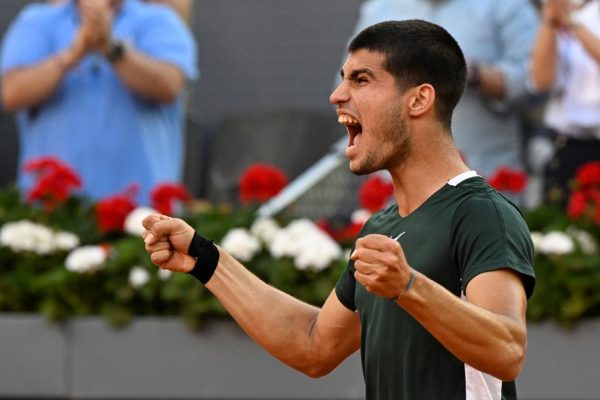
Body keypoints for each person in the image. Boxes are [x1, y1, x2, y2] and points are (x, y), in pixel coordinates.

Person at [143, 20, 535, 400]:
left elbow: (507, 349)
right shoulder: (381, 228)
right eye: (343, 78)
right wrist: (204, 257)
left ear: (419, 99)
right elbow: (313, 344)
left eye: (361, 80)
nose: (337, 94)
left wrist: (409, 287)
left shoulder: (481, 212)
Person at [0, 0, 198, 204]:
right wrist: (71, 55)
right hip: (51, 215)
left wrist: (110, 48)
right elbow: (13, 93)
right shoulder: (36, 22)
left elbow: (169, 85)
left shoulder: (159, 20)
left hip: (141, 215)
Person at [342, 0, 538, 184]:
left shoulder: (506, 5)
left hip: (480, 177)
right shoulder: (379, 9)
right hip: (394, 183)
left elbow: (536, 84)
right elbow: (346, 86)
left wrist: (474, 72)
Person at [529, 0, 600, 202]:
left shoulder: (576, 18)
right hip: (569, 145)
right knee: (558, 231)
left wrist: (574, 23)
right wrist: (549, 23)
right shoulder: (573, 10)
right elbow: (541, 80)